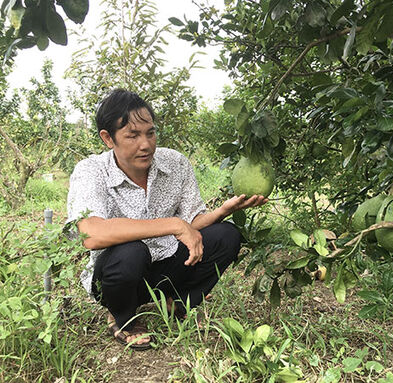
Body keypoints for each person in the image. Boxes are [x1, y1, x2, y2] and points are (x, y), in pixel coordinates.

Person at [67, 89, 267, 350]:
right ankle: (123, 317)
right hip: (117, 275)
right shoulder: (91, 170)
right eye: (133, 135)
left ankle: (175, 303)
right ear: (108, 138)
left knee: (226, 235)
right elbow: (90, 233)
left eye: (150, 133)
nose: (146, 144)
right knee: (132, 250)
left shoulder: (175, 163)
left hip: (166, 264)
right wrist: (172, 224)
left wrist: (221, 212)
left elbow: (190, 225)